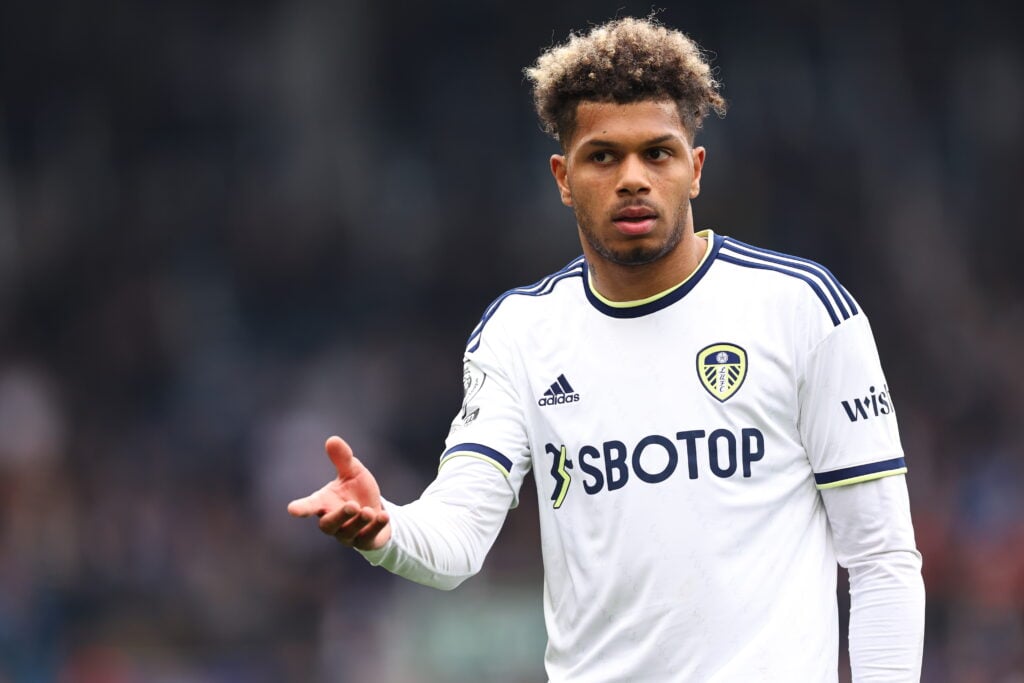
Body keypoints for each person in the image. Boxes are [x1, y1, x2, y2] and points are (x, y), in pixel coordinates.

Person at [288, 16, 925, 682]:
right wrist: (387, 528)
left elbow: (882, 556)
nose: (633, 178)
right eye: (603, 156)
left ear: (694, 168)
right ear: (563, 176)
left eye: (658, 152)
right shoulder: (521, 331)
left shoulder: (802, 308)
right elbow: (458, 538)